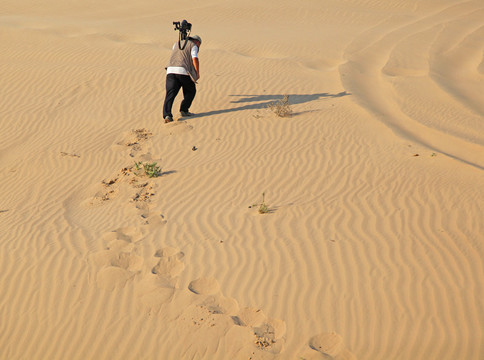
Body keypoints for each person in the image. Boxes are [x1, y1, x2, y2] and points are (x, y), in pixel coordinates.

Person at [162, 35, 202, 123]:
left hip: (170, 71)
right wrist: (197, 73)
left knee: (170, 94)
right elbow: (195, 58)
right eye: (199, 45)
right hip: (183, 71)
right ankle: (184, 110)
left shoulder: (176, 44)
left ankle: (167, 115)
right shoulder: (193, 46)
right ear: (197, 42)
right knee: (191, 90)